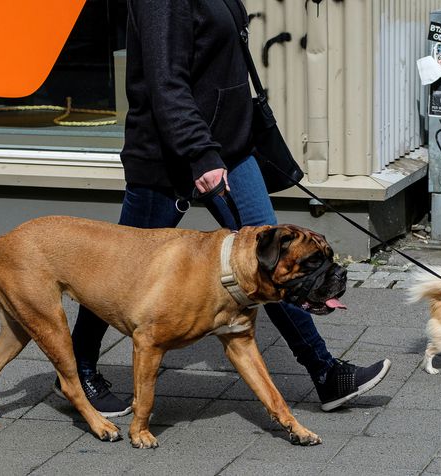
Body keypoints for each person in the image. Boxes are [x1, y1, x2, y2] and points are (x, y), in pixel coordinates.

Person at [54, 0, 391, 417]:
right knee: (115, 273)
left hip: (231, 148)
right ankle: (78, 369)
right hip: (169, 158)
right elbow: (166, 83)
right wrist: (201, 153)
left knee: (273, 261)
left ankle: (324, 372)